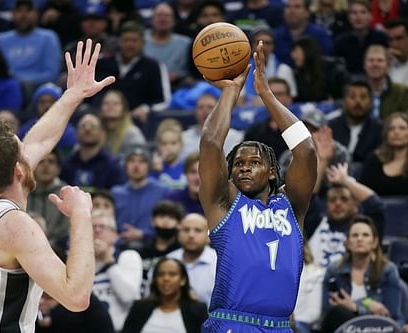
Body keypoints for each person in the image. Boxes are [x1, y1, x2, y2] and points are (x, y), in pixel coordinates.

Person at [0, 39, 115, 332]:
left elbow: (40, 140)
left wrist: (73, 95)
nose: (30, 147)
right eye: (22, 150)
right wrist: (81, 215)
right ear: (19, 170)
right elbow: (75, 297)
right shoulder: (15, 227)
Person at [199, 41, 317, 332]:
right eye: (238, 164)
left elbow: (307, 150)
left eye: (254, 162)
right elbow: (211, 143)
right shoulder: (224, 203)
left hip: (280, 326)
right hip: (232, 323)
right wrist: (230, 92)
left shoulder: (292, 205)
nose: (245, 167)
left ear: (274, 174)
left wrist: (266, 94)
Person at [321, 215, 404, 332]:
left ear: (374, 242)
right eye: (355, 235)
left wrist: (355, 307)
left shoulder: (388, 270)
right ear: (348, 243)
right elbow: (327, 311)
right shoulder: (334, 271)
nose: (359, 239)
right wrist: (365, 305)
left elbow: (391, 315)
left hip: (378, 330)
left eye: (365, 235)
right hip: (344, 328)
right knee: (339, 313)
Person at [121, 258, 209, 333]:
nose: (166, 278)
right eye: (161, 274)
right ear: (155, 279)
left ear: (183, 280)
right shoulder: (139, 308)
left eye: (172, 274)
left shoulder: (197, 311)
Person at [359, 112, 408, 196]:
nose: (396, 132)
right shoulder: (374, 160)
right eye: (391, 129)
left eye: (402, 128)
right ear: (386, 134)